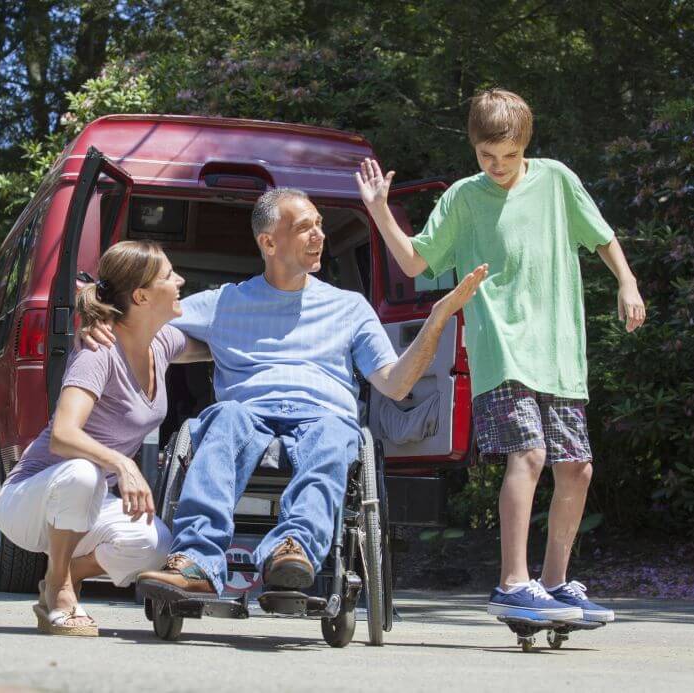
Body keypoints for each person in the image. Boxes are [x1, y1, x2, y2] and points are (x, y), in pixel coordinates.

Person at [356, 88, 645, 624]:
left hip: (559, 351)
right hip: (502, 347)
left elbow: (601, 237)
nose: (499, 167)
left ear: (525, 145)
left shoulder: (556, 180)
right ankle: (514, 580)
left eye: (509, 157)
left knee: (577, 468)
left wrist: (626, 281)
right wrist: (378, 211)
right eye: (488, 157)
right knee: (529, 455)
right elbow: (416, 263)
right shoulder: (465, 198)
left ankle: (555, 582)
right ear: (474, 149)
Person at [124, 188, 487, 596]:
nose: (319, 235)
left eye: (319, 224)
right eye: (304, 227)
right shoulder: (223, 303)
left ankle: (292, 547)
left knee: (336, 433)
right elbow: (146, 329)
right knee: (221, 419)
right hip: (246, 411)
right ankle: (197, 561)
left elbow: (396, 383)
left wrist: (436, 321)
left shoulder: (350, 307)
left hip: (322, 414)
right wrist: (102, 309)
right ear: (268, 242)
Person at [0, 240, 209, 636]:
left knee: (154, 544)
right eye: (168, 275)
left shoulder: (162, 344)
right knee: (83, 471)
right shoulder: (99, 351)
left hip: (85, 506)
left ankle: (65, 573)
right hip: (29, 501)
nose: (179, 280)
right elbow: (62, 435)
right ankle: (59, 591)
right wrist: (122, 463)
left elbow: (217, 349)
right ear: (142, 295)